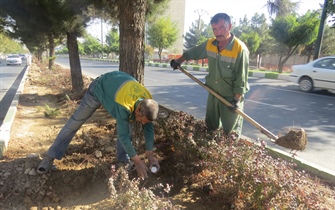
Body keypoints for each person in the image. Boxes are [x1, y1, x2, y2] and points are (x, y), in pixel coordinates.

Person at [37, 71, 160, 179]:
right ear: (138, 110)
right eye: (142, 119)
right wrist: (138, 162)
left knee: (127, 126)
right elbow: (123, 136)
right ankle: (49, 157)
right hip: (98, 88)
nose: (143, 123)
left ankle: (123, 161)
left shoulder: (147, 103)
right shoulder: (124, 106)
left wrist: (150, 156)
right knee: (75, 122)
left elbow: (148, 129)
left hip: (115, 87)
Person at [170, 13, 250, 137]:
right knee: (210, 126)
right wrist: (179, 61)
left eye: (222, 27)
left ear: (230, 26)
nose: (218, 32)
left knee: (230, 132)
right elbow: (193, 53)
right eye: (215, 29)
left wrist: (236, 100)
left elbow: (242, 77)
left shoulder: (240, 49)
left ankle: (228, 153)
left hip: (230, 98)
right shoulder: (210, 44)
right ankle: (210, 150)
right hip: (213, 93)